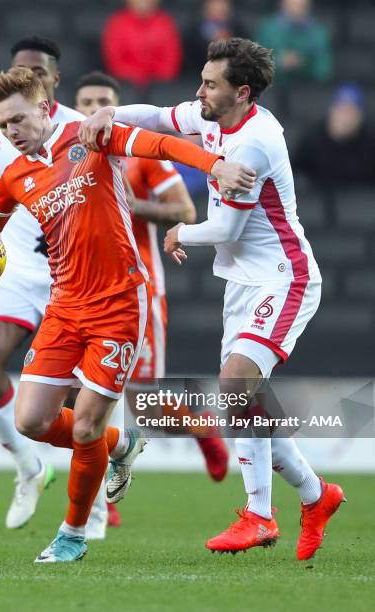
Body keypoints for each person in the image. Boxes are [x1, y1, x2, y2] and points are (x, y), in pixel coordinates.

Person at [78, 37, 345, 561]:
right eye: (201, 79)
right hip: (242, 282)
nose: (199, 90)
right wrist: (110, 110)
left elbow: (226, 226)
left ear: (242, 92)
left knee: (236, 387)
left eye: (210, 83)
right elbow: (156, 116)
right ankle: (317, 496)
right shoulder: (208, 114)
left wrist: (180, 231)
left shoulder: (256, 142)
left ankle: (260, 517)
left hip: (282, 276)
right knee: (247, 402)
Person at [0, 66, 244, 563]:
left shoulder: (89, 134)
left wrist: (213, 164)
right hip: (64, 305)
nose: (10, 132)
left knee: (84, 428)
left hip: (119, 302)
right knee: (31, 421)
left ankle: (72, 534)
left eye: (16, 120)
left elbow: (159, 146)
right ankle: (123, 442)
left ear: (45, 108)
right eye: (2, 126)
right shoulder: (14, 176)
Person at [0, 36, 108, 537]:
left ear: (52, 82)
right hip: (12, 271)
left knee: (70, 406)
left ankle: (90, 508)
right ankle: (28, 467)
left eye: (37, 71)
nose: (26, 75)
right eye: (18, 69)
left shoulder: (81, 129)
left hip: (71, 276)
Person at [74, 71, 231, 502]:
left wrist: (128, 203)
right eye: (85, 102)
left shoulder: (139, 153)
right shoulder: (66, 157)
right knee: (75, 398)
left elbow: (184, 209)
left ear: (115, 106)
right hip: (80, 291)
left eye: (102, 101)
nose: (92, 110)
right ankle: (102, 502)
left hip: (134, 288)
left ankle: (201, 428)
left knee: (141, 401)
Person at [294, 83, 375, 189]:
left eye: (351, 112)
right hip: (319, 200)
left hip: (360, 202)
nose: (345, 118)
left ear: (360, 117)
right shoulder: (312, 138)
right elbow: (293, 171)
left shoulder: (370, 143)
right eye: (341, 110)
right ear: (331, 111)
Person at [102, 0, 182, 89]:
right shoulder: (117, 23)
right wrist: (137, 77)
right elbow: (115, 60)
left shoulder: (165, 22)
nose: (143, 2)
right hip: (126, 84)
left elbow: (171, 59)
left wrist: (155, 78)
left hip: (160, 86)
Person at [255, 0, 332, 86]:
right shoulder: (268, 29)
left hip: (308, 90)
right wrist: (279, 63)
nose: (298, 11)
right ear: (283, 4)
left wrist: (304, 64)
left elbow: (324, 71)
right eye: (293, 6)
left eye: (302, 6)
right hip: (273, 90)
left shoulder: (318, 33)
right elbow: (257, 66)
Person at [185, 0, 247, 75]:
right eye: (215, 5)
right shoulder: (193, 31)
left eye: (223, 5)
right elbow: (189, 60)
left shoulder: (238, 30)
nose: (220, 8)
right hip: (197, 77)